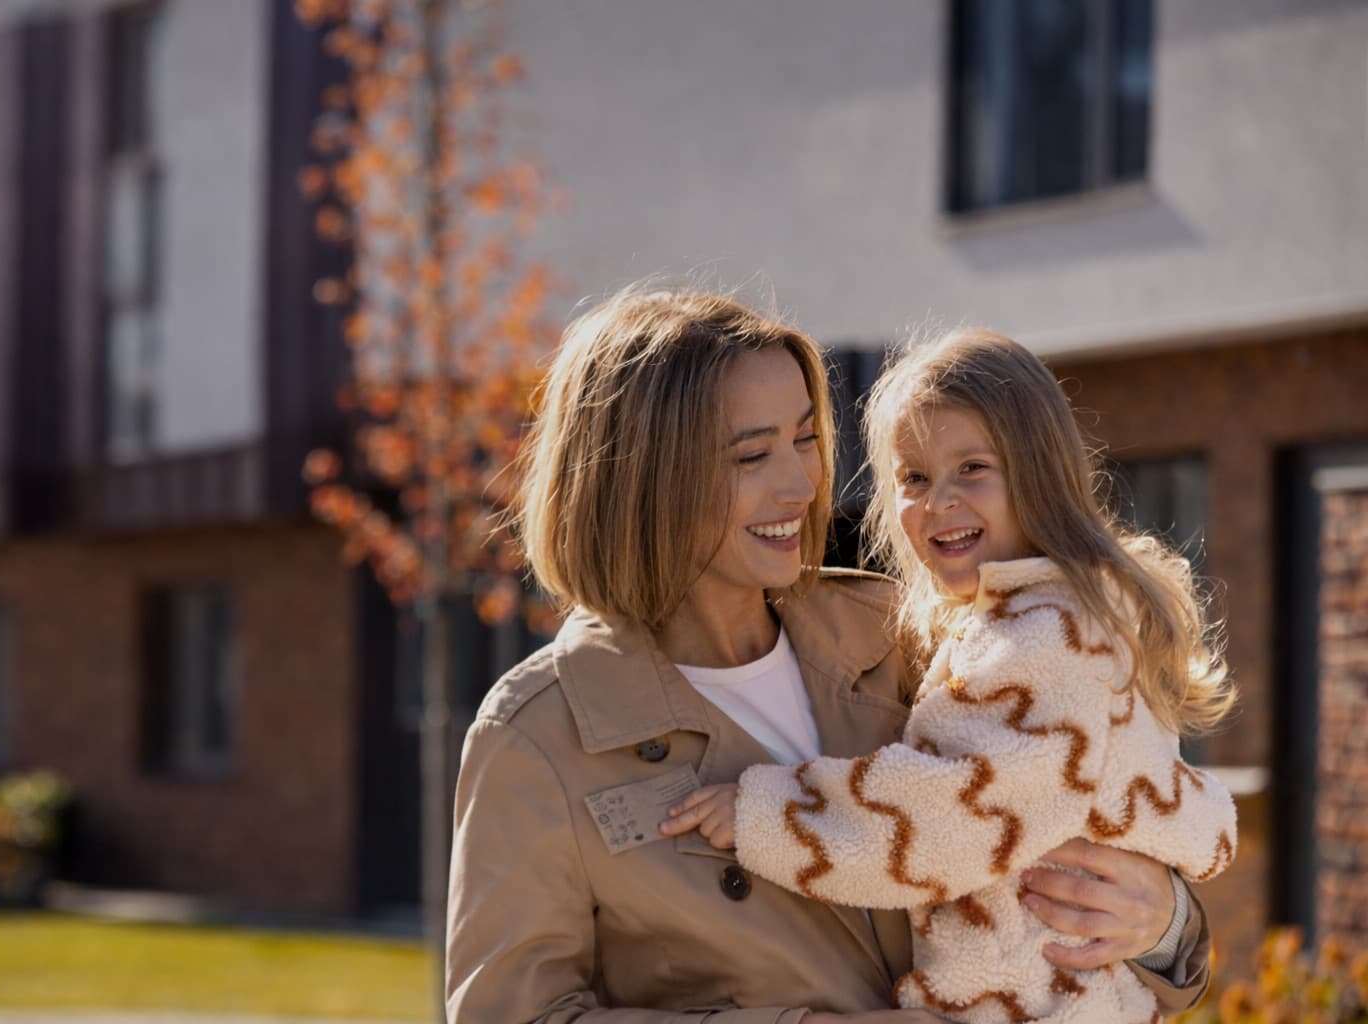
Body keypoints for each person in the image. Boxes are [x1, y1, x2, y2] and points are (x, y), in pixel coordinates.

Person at [446, 290, 1215, 1024]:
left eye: (807, 439)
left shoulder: (915, 635)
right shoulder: (540, 736)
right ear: (646, 480)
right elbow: (512, 1014)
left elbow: (1101, 861)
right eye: (752, 456)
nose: (801, 485)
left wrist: (1165, 923)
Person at [663, 327, 1236, 1023]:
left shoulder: (1049, 638)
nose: (939, 503)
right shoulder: (1027, 617)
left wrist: (769, 813)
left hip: (1035, 996)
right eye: (913, 478)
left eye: (972, 469)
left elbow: (951, 817)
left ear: (1040, 473)